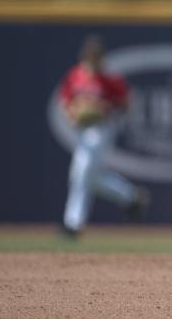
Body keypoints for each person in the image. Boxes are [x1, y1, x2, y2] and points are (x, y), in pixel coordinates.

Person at [58, 35, 149, 239]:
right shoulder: (76, 76)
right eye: (90, 55)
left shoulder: (109, 79)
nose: (93, 58)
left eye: (96, 55)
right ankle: (131, 198)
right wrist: (73, 113)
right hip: (81, 130)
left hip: (101, 129)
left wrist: (104, 108)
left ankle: (73, 223)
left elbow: (127, 103)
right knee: (91, 176)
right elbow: (65, 101)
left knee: (81, 171)